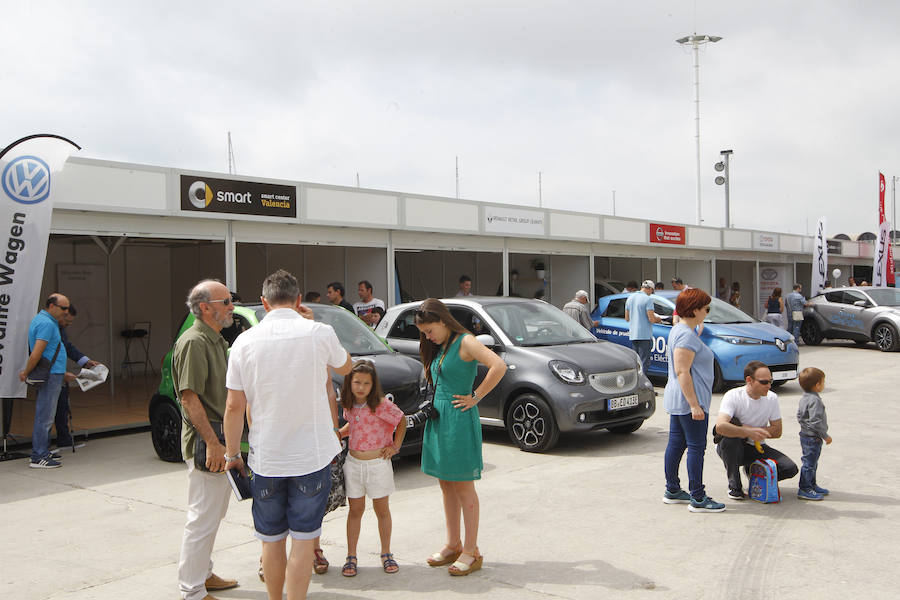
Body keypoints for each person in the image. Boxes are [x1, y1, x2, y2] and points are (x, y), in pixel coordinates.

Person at [223, 269, 352, 600]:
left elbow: (234, 407)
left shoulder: (243, 342)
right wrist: (311, 323)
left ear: (264, 303)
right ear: (298, 300)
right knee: (305, 539)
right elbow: (346, 367)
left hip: (266, 459)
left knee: (271, 539)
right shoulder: (318, 332)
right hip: (311, 457)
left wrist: (232, 455)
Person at [414, 298, 507, 576]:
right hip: (440, 419)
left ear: (442, 321)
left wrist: (475, 397)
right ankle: (453, 543)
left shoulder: (465, 341)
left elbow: (498, 365)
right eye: (424, 333)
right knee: (446, 485)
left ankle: (471, 550)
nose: (427, 336)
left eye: (429, 330)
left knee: (464, 488)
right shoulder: (441, 345)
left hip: (457, 419)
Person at [173, 280, 239, 600]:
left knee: (214, 514)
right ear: (205, 307)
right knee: (202, 518)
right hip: (208, 441)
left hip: (221, 439)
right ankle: (192, 590)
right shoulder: (194, 342)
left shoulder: (215, 339)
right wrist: (213, 443)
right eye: (226, 301)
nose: (232, 306)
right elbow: (189, 399)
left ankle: (204, 573)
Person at [338, 361, 406, 577]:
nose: (361, 387)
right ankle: (351, 556)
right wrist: (338, 434)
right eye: (357, 382)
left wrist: (395, 446)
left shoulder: (381, 404)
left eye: (366, 383)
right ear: (350, 383)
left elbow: (401, 420)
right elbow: (354, 426)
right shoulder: (349, 405)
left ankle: (386, 553)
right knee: (355, 511)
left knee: (382, 510)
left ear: (373, 384)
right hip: (354, 464)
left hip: (378, 465)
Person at [661, 288, 725, 513]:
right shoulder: (685, 335)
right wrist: (694, 405)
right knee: (696, 448)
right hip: (690, 400)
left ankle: (673, 489)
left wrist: (697, 328)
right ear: (695, 309)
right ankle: (697, 497)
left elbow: (680, 321)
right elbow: (682, 371)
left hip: (679, 399)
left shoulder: (679, 329)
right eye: (706, 308)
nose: (707, 312)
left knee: (677, 444)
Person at [714, 360, 799, 500]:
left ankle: (753, 473)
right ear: (749, 380)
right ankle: (734, 486)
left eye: (770, 381)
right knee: (730, 440)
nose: (769, 386)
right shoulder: (733, 395)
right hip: (732, 446)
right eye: (764, 382)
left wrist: (754, 431)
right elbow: (721, 426)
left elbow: (777, 430)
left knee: (790, 468)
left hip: (756, 446)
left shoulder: (772, 398)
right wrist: (747, 432)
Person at [20, 294, 70, 468]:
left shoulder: (44, 321)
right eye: (63, 308)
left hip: (53, 373)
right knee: (45, 416)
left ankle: (42, 450)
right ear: (51, 306)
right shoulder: (47, 324)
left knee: (46, 414)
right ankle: (39, 455)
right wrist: (26, 372)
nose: (66, 312)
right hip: (50, 375)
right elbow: (37, 352)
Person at [53, 304, 101, 452]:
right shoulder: (48, 327)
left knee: (62, 407)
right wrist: (60, 373)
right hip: (51, 374)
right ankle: (42, 449)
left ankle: (64, 440)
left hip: (60, 373)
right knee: (49, 411)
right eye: (67, 321)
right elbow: (45, 353)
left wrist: (84, 361)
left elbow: (67, 347)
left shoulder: (60, 328)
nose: (69, 324)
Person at [796, 367, 832, 501]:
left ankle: (812, 484)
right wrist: (825, 435)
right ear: (817, 385)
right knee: (809, 463)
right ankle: (804, 488)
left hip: (805, 435)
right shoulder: (815, 401)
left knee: (812, 462)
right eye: (823, 382)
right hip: (813, 438)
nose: (824, 385)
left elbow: (799, 416)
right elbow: (815, 421)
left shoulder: (804, 398)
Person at [625, 280, 661, 374]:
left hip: (633, 334)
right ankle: (642, 384)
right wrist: (659, 319)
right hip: (644, 335)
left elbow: (627, 318)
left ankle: (635, 383)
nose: (651, 294)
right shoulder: (648, 299)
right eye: (652, 291)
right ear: (650, 289)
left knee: (636, 362)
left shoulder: (630, 298)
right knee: (644, 362)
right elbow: (651, 319)